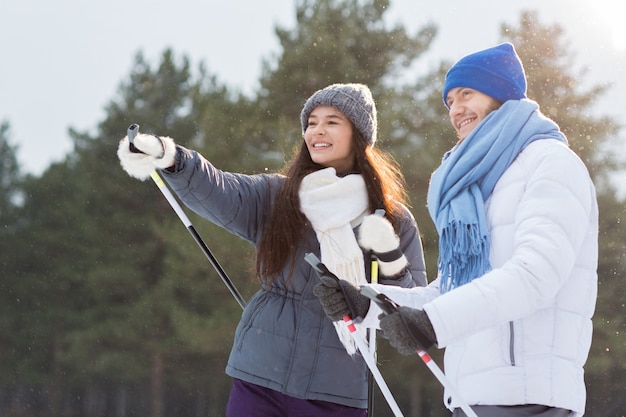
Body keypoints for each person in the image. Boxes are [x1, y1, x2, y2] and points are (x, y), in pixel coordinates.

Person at [315, 43, 598, 417]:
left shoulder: (551, 163)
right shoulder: (478, 188)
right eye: (450, 100)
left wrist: (435, 323)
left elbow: (536, 275)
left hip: (530, 398)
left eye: (467, 93)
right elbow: (452, 291)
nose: (456, 109)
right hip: (469, 396)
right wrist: (367, 302)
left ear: (502, 93)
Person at [117, 83, 427, 417]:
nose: (317, 130)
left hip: (336, 391)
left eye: (332, 121)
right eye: (311, 123)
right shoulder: (280, 197)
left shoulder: (392, 219)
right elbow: (223, 190)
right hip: (260, 377)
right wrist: (172, 157)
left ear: (359, 134)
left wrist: (390, 257)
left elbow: (413, 310)